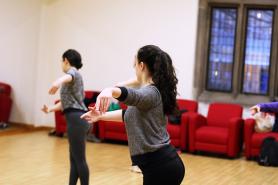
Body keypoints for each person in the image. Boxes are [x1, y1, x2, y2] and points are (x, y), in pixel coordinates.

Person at [81, 45, 185, 185]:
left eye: (135, 65)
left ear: (141, 65)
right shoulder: (151, 92)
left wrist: (110, 90)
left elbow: (132, 95)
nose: (134, 68)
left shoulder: (151, 93)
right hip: (160, 165)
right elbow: (128, 114)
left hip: (161, 167)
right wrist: (101, 116)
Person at [42, 49, 90, 185]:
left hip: (77, 120)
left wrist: (57, 82)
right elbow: (66, 102)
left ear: (66, 61)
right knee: (74, 160)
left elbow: (70, 75)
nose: (61, 64)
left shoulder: (73, 73)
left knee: (79, 160)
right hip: (76, 120)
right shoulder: (74, 79)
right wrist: (50, 109)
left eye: (62, 61)